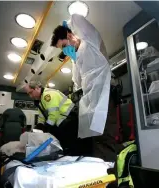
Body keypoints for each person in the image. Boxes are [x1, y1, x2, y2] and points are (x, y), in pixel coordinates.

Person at [51, 14, 123, 161]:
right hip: (92, 98)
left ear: (70, 35)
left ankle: (110, 176)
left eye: (64, 46)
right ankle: (99, 172)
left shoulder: (89, 42)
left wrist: (68, 24)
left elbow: (78, 19)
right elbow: (77, 82)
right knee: (95, 137)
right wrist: (74, 59)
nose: (64, 51)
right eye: (62, 49)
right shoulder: (76, 58)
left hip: (105, 92)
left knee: (106, 135)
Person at [24, 81, 79, 155]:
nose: (30, 96)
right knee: (62, 145)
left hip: (69, 120)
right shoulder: (41, 100)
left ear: (37, 88)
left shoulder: (48, 95)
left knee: (69, 147)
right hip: (63, 123)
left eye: (31, 92)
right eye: (28, 94)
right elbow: (41, 116)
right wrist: (39, 126)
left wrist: (47, 128)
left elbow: (53, 114)